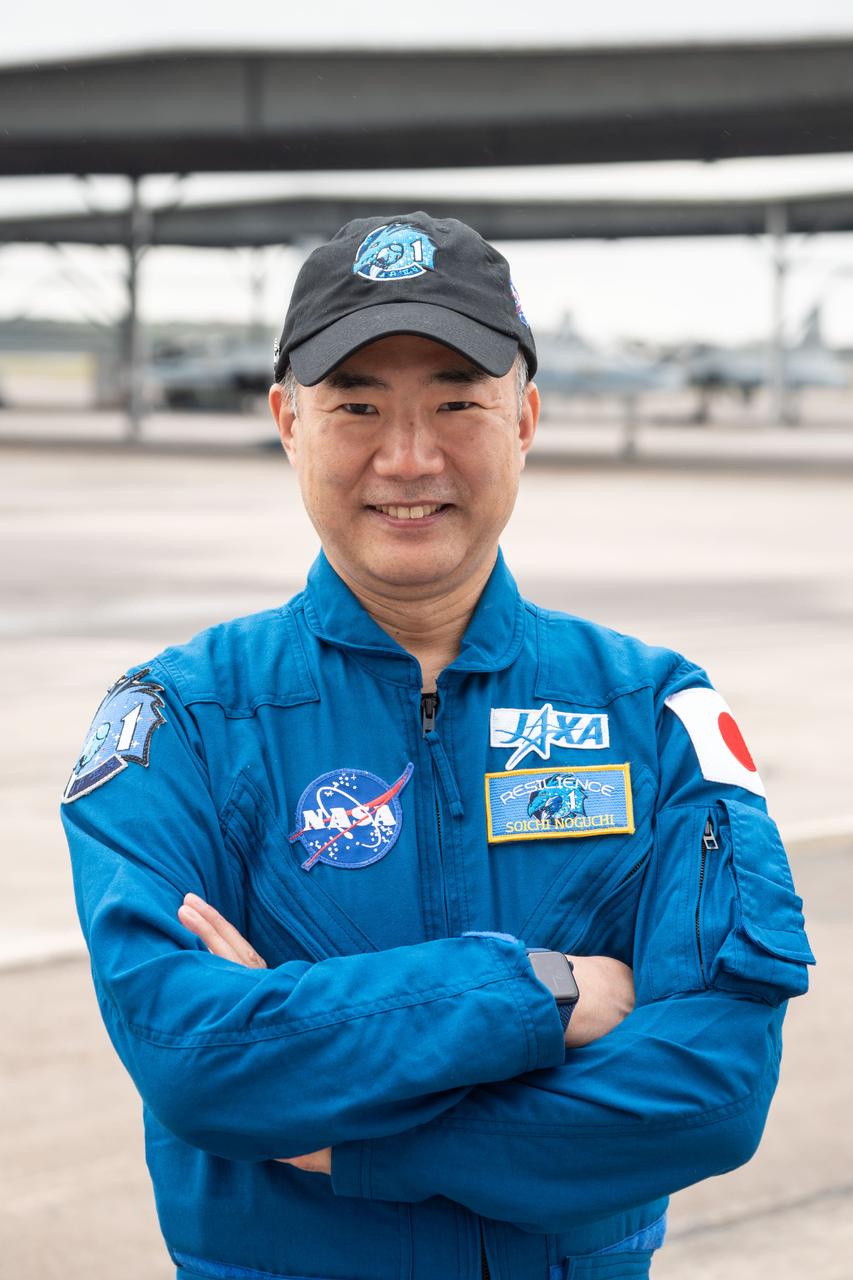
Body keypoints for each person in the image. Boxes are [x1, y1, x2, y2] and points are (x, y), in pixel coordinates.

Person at [61, 212, 814, 1280]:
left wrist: (352, 1138)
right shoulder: (179, 721)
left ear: (525, 419)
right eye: (357, 405)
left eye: (457, 403)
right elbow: (194, 1056)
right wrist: (538, 991)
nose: (408, 457)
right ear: (287, 420)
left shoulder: (652, 713)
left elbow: (713, 1084)